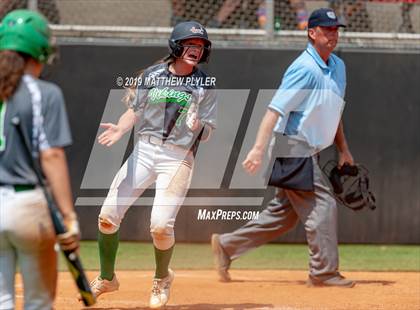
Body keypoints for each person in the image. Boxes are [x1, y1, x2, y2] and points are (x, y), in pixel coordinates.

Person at [211, 8, 356, 288]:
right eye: (327, 29)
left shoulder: (338, 66)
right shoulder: (304, 68)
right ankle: (323, 272)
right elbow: (273, 111)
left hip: (309, 149)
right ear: (312, 33)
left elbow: (333, 113)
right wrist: (257, 148)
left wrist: (343, 149)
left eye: (336, 29)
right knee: (322, 204)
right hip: (292, 146)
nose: (333, 34)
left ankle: (227, 246)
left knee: (284, 215)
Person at [89, 21, 217, 309]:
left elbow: (208, 132)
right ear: (176, 45)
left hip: (178, 158)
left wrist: (199, 126)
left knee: (160, 226)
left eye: (200, 47)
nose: (196, 50)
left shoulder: (204, 84)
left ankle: (161, 278)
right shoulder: (153, 75)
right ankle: (107, 277)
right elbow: (134, 112)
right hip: (145, 152)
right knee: (108, 216)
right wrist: (121, 129)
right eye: (190, 45)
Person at [0, 9, 79, 309]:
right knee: (38, 302)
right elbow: (52, 154)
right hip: (27, 207)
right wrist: (68, 215)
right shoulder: (44, 93)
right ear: (40, 49)